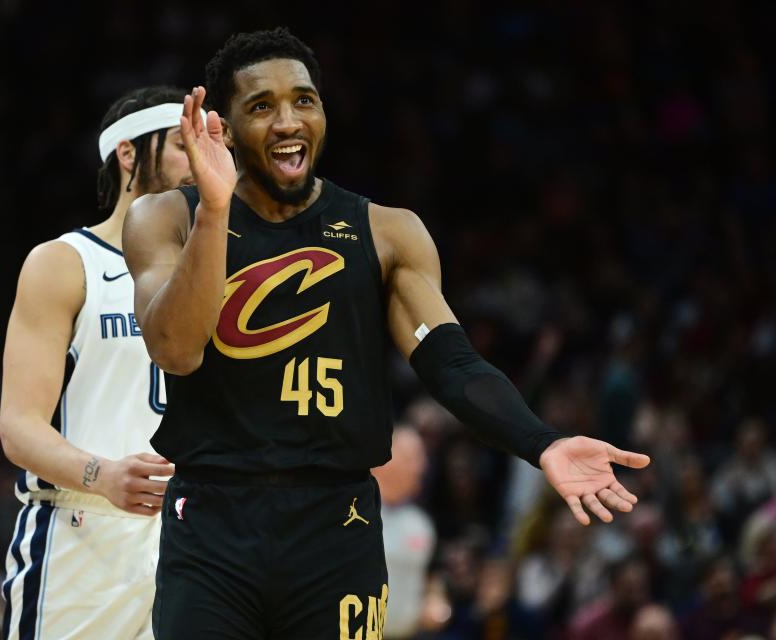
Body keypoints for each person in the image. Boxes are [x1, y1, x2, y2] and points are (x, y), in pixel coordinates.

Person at [123, 28, 651, 639]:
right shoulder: (167, 216)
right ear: (224, 127)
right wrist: (216, 212)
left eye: (304, 100)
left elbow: (451, 364)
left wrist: (542, 443)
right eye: (262, 106)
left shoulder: (386, 231)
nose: (289, 120)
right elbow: (176, 349)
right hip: (211, 525)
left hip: (336, 525)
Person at [0, 86, 194, 639]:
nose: (198, 161)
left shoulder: (214, 275)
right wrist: (101, 474)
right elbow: (17, 426)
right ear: (128, 153)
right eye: (182, 144)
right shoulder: (65, 262)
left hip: (193, 541)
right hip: (82, 533)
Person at [371, 427, 437, 640]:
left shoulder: (420, 524)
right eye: (413, 458)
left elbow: (431, 580)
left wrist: (436, 599)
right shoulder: (350, 512)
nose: (422, 467)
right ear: (386, 458)